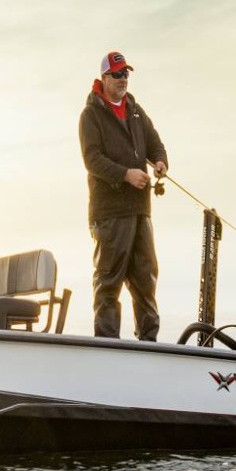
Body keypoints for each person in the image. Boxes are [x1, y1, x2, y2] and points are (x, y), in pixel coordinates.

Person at [78, 50, 168, 340]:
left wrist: (160, 161)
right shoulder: (90, 115)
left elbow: (155, 142)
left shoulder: (136, 110)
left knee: (145, 277)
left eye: (126, 73)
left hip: (140, 209)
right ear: (104, 77)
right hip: (109, 213)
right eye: (117, 74)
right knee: (109, 279)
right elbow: (92, 159)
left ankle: (149, 341)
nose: (123, 79)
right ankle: (107, 344)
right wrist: (126, 174)